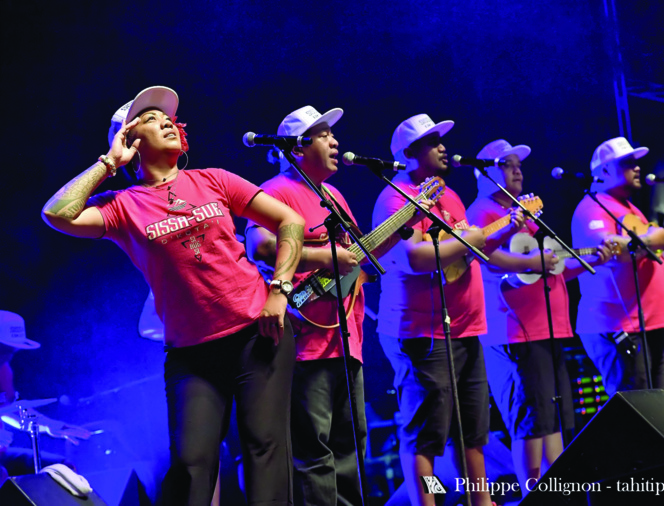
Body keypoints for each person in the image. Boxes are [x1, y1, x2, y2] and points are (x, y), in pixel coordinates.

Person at [41, 86, 305, 506]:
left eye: (168, 118)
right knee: (190, 463)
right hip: (191, 354)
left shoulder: (214, 179)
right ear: (129, 140)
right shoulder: (122, 205)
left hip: (257, 330)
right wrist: (109, 163)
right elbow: (56, 213)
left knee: (264, 449)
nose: (167, 122)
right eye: (150, 119)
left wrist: (280, 288)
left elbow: (290, 221)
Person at [246, 106, 434, 506]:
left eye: (333, 134)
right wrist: (322, 258)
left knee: (351, 450)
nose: (335, 142)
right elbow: (260, 246)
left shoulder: (334, 196)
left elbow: (359, 255)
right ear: (298, 148)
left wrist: (406, 220)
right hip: (304, 341)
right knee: (314, 453)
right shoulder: (276, 191)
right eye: (324, 135)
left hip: (346, 340)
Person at [372, 115, 514, 506]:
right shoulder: (396, 197)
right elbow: (416, 257)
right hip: (422, 332)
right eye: (432, 141)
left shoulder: (448, 195)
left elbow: (465, 253)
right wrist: (473, 239)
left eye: (441, 140)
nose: (442, 147)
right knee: (426, 437)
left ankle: (479, 501)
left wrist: (494, 234)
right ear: (408, 152)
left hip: (464, 327)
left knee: (472, 432)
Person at [466, 140, 613, 495]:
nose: (518, 170)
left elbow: (549, 269)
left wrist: (592, 259)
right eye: (507, 164)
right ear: (485, 172)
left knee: (553, 423)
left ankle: (559, 495)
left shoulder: (520, 216)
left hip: (545, 328)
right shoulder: (482, 212)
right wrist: (534, 262)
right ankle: (533, 495)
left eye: (519, 164)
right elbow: (488, 259)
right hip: (515, 331)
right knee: (531, 425)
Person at [571, 137, 664, 397]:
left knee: (657, 406)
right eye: (628, 163)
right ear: (605, 171)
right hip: (619, 325)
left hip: (645, 324)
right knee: (636, 407)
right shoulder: (593, 208)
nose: (637, 167)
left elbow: (646, 259)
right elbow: (611, 249)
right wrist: (654, 237)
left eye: (636, 162)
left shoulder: (629, 209)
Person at [0, 311, 90, 484]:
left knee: (63, 470)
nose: (9, 356)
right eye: (4, 349)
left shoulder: (3, 369)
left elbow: (9, 410)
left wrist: (50, 425)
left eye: (13, 351)